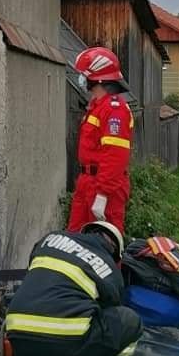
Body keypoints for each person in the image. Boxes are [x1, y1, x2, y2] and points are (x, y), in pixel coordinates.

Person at [0, 221, 142, 356]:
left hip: (18, 332)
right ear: (115, 253)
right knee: (130, 323)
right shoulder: (108, 267)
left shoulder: (50, 239)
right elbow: (111, 312)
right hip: (66, 339)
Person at [67, 46, 134, 235]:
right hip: (87, 182)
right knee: (75, 238)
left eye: (84, 74)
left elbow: (115, 156)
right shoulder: (97, 106)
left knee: (104, 243)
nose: (81, 78)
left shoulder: (114, 110)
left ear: (97, 78)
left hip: (105, 185)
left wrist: (103, 194)